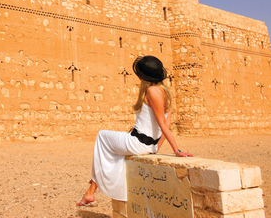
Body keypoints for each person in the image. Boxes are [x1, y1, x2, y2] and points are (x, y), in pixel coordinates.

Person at [77, 55, 193, 206]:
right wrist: (155, 147)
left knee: (101, 136)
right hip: (147, 145)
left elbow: (163, 125)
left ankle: (93, 190)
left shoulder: (151, 91)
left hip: (137, 142)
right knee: (116, 154)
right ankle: (90, 191)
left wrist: (177, 150)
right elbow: (166, 125)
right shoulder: (166, 93)